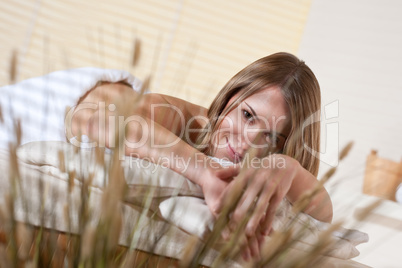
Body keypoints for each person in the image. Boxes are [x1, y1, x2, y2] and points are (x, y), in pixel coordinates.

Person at [68, 52, 333, 261]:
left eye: (272, 137)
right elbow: (90, 118)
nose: (247, 143)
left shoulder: (277, 161)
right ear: (229, 97)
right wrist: (205, 171)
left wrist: (288, 167)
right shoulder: (182, 118)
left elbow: (323, 212)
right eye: (248, 115)